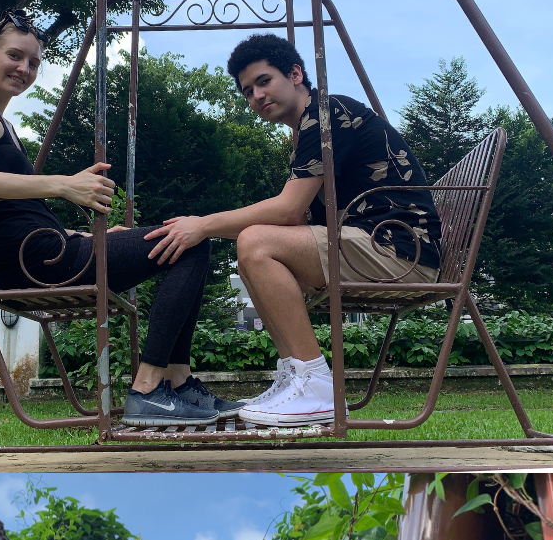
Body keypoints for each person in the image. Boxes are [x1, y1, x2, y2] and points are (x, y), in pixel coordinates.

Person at [0, 9, 240, 427]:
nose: (24, 69)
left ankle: (177, 382)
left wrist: (85, 232)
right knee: (190, 244)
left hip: (45, 251)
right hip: (33, 263)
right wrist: (63, 184)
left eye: (33, 63)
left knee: (185, 237)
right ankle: (150, 389)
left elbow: (22, 213)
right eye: (16, 56)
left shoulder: (5, 127)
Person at [142, 34, 443, 427]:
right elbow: (296, 219)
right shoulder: (308, 128)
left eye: (264, 81)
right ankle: (296, 377)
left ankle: (317, 386)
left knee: (256, 243)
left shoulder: (327, 114)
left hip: (400, 253)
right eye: (247, 91)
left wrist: (203, 226)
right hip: (381, 245)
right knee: (254, 251)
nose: (256, 96)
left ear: (296, 74)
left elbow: (288, 210)